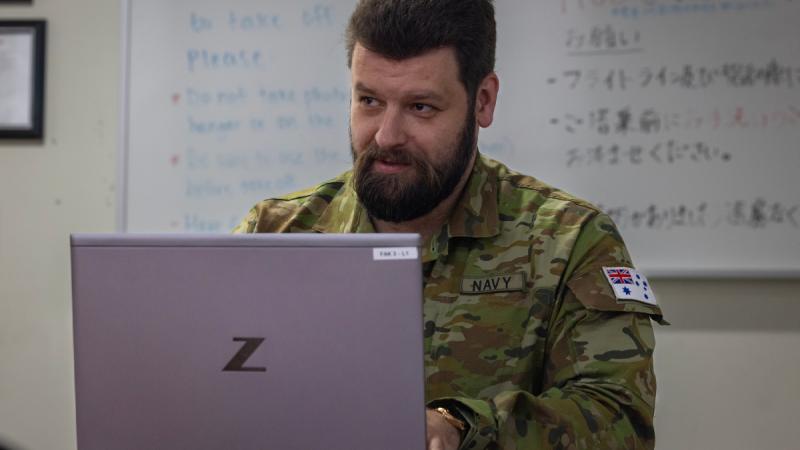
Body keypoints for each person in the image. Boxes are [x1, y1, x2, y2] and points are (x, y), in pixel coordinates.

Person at [234, 0, 666, 448]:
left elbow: (619, 420)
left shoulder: (568, 240)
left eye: (420, 107)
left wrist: (463, 428)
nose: (386, 135)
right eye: (369, 101)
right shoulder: (274, 234)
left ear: (483, 101)